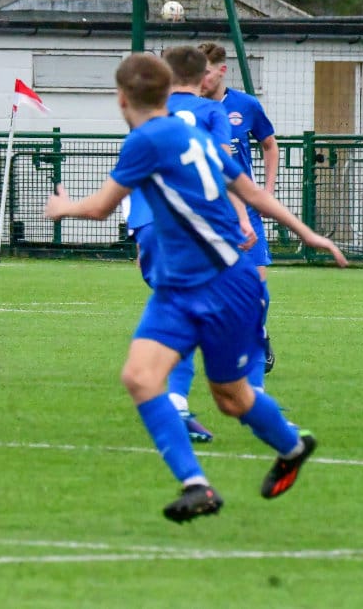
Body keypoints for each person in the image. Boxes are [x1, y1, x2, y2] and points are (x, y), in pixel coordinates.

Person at [44, 53, 347, 523]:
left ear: (121, 99)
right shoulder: (194, 134)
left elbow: (102, 208)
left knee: (231, 398)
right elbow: (251, 192)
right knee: (140, 377)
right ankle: (196, 485)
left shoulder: (145, 140)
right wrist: (306, 233)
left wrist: (62, 208)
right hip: (178, 288)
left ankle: (292, 446)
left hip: (224, 283)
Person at [124, 45, 251, 444]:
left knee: (178, 311)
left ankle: (171, 399)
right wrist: (242, 216)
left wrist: (137, 232)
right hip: (187, 226)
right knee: (194, 314)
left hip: (148, 223)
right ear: (202, 77)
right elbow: (221, 171)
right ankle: (179, 404)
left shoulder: (149, 115)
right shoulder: (212, 112)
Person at [200, 41, 280, 375]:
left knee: (258, 289)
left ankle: (258, 334)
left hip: (246, 210)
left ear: (222, 70)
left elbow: (269, 145)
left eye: (205, 72)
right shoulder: (190, 109)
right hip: (208, 214)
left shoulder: (246, 105)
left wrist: (267, 192)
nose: (200, 79)